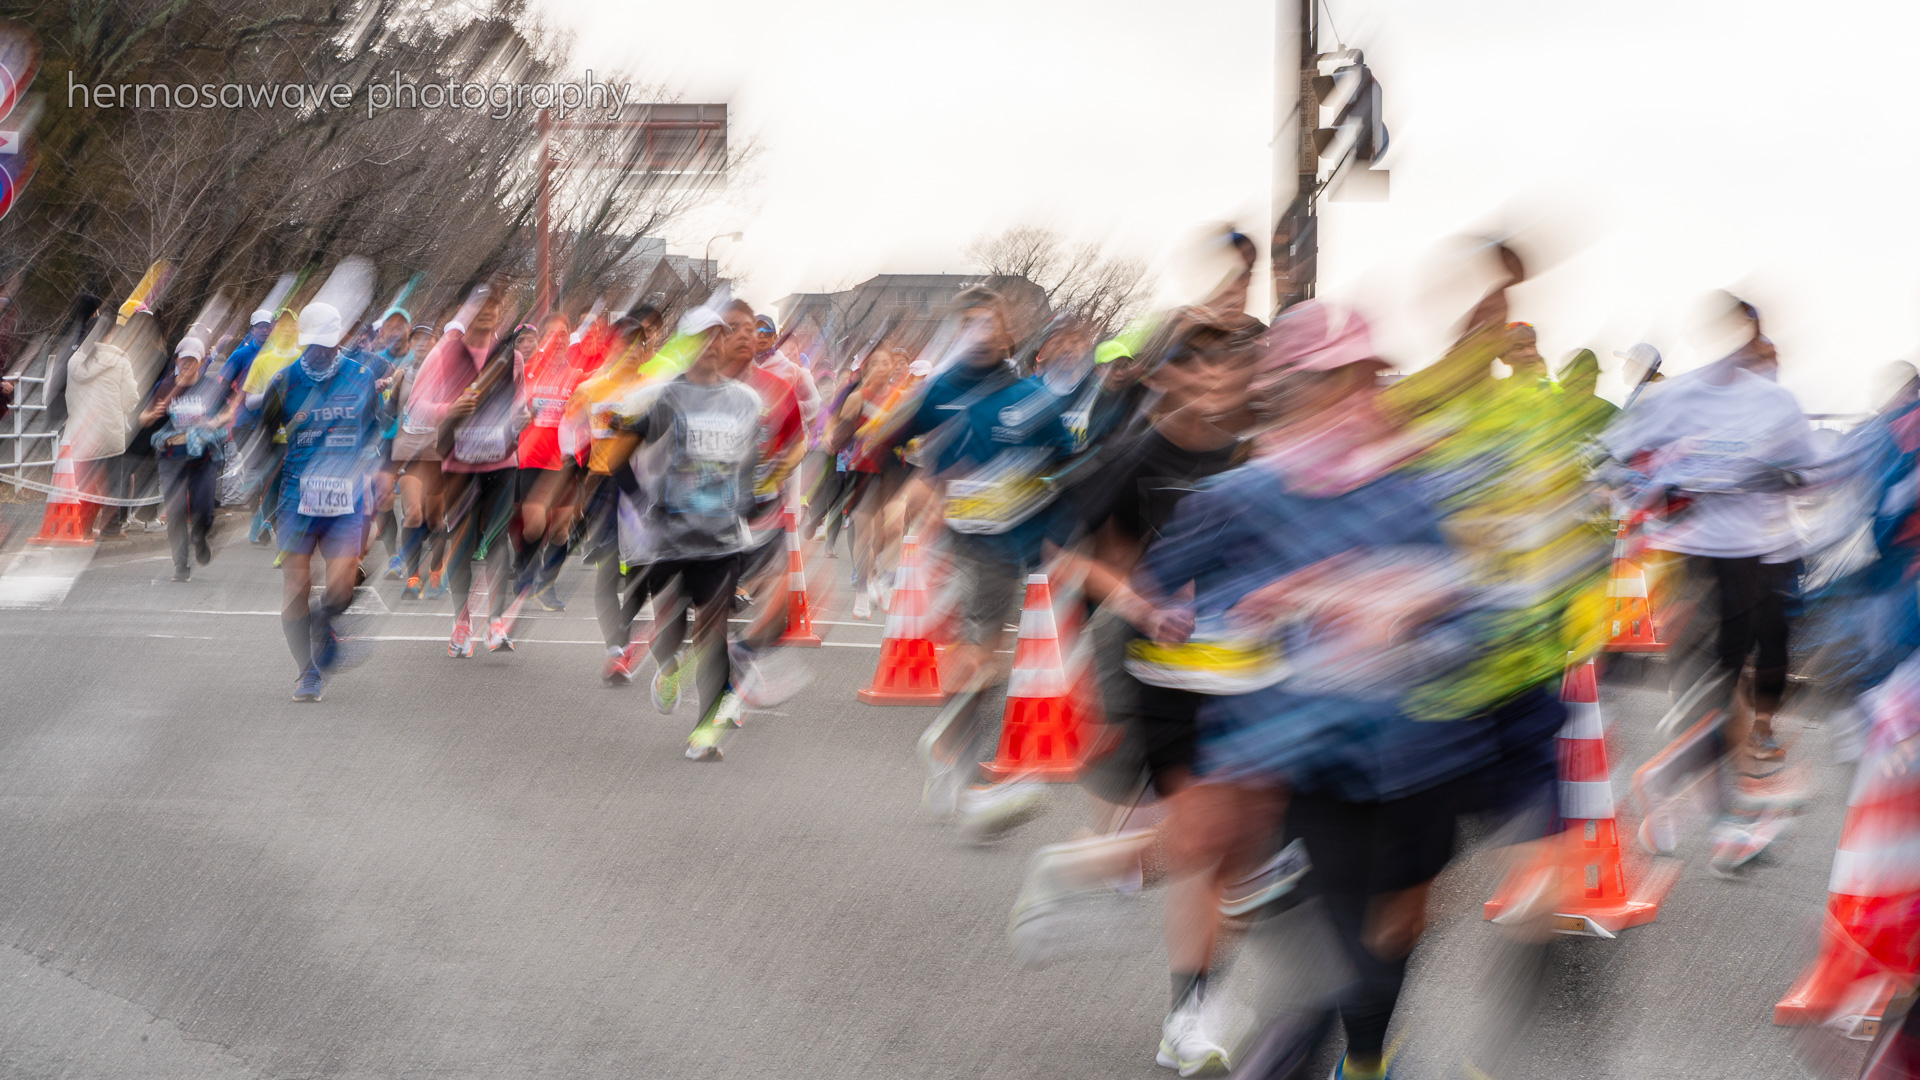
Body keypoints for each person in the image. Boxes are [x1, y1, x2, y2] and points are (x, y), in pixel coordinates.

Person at [1602, 292, 1817, 868]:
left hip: (1757, 562)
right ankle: (1712, 810)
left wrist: (1779, 475)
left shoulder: (1776, 403)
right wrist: (1665, 488)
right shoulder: (1676, 396)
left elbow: (1815, 473)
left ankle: (1701, 806)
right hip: (1691, 560)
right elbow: (1612, 463)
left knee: (1724, 689)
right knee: (1715, 690)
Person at [890, 287, 1083, 836]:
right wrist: (918, 486)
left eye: (990, 323)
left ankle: (952, 753)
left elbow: (1065, 465)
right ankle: (968, 775)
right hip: (954, 543)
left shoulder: (1032, 398)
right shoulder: (940, 390)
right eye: (969, 322)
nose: (981, 332)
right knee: (973, 653)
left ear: (1008, 334)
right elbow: (896, 445)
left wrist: (1047, 506)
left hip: (1008, 546)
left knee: (983, 659)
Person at [610, 299, 766, 760]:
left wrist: (745, 502)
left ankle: (705, 732)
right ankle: (668, 666)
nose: (712, 345)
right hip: (670, 537)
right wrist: (641, 502)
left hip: (720, 540)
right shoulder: (664, 397)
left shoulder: (744, 402)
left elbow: (748, 464)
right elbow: (618, 456)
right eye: (702, 337)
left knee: (713, 632)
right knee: (670, 629)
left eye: (718, 337)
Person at [247, 301, 386, 701]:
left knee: (341, 588)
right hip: (297, 498)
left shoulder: (360, 377)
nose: (321, 352)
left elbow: (375, 427)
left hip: (347, 498)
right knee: (296, 586)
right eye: (313, 346)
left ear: (340, 339)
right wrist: (259, 475)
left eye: (327, 344)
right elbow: (262, 437)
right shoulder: (286, 382)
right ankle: (307, 671)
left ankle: (322, 622)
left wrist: (374, 464)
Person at [149, 334, 242, 581]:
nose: (188, 365)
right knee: (176, 511)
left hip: (204, 457)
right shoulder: (166, 387)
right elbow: (144, 419)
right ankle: (181, 565)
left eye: (194, 360)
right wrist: (153, 415)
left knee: (204, 510)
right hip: (171, 458)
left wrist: (214, 421)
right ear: (177, 360)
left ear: (202, 362)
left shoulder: (211, 387)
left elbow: (228, 411)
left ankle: (200, 537)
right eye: (184, 360)